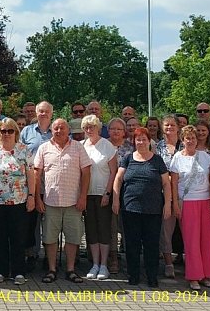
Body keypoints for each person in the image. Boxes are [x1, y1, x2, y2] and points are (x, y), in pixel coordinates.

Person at [112, 127, 173, 288]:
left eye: (144, 139)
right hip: (130, 208)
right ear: (134, 142)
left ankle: (152, 276)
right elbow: (118, 179)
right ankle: (133, 275)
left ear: (149, 141)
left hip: (153, 210)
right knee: (132, 244)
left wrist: (168, 204)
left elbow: (166, 184)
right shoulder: (127, 158)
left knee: (152, 244)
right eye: (138, 139)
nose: (141, 142)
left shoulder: (157, 160)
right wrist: (116, 200)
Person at [0, 117, 36, 284]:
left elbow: (31, 175)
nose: (6, 134)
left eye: (10, 130)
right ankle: (1, 270)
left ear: (16, 132)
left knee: (18, 237)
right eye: (3, 131)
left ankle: (19, 271)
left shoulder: (24, 150)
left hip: (18, 201)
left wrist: (31, 196)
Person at [34, 117, 91, 284]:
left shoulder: (78, 148)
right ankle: (52, 269)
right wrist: (37, 198)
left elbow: (86, 173)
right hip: (50, 202)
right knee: (50, 238)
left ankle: (70, 269)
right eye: (56, 128)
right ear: (52, 130)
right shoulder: (44, 148)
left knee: (73, 238)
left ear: (68, 131)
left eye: (62, 128)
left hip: (73, 202)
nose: (59, 131)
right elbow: (37, 175)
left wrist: (83, 197)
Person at [170, 125, 210, 290]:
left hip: (205, 200)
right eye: (187, 138)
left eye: (193, 138)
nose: (190, 141)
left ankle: (207, 275)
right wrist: (175, 204)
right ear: (182, 140)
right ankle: (194, 276)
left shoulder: (205, 157)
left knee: (207, 240)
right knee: (191, 241)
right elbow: (173, 183)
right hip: (187, 202)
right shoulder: (177, 158)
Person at [81, 113, 117, 280]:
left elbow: (113, 172)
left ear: (98, 128)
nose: (89, 130)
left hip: (103, 194)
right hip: (86, 195)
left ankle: (104, 265)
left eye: (92, 127)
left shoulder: (107, 146)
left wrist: (108, 193)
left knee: (104, 230)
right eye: (86, 127)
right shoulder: (81, 146)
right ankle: (94, 264)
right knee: (91, 231)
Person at [19, 101, 53, 270]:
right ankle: (30, 254)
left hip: (53, 184)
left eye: (46, 111)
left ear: (51, 114)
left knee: (50, 222)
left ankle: (49, 256)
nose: (43, 114)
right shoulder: (26, 131)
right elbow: (19, 153)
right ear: (36, 113)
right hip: (31, 183)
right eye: (40, 111)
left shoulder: (58, 132)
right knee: (30, 221)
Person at [107, 117, 131, 273]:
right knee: (111, 226)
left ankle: (130, 258)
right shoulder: (103, 145)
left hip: (128, 192)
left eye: (119, 129)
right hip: (107, 191)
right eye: (113, 129)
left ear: (124, 132)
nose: (116, 131)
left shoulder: (132, 147)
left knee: (127, 226)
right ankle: (113, 258)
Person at [156, 114, 179, 278]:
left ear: (178, 127)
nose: (169, 128)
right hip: (165, 195)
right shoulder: (158, 147)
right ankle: (168, 263)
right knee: (166, 231)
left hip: (186, 193)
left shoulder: (186, 144)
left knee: (189, 231)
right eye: (166, 125)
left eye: (172, 125)